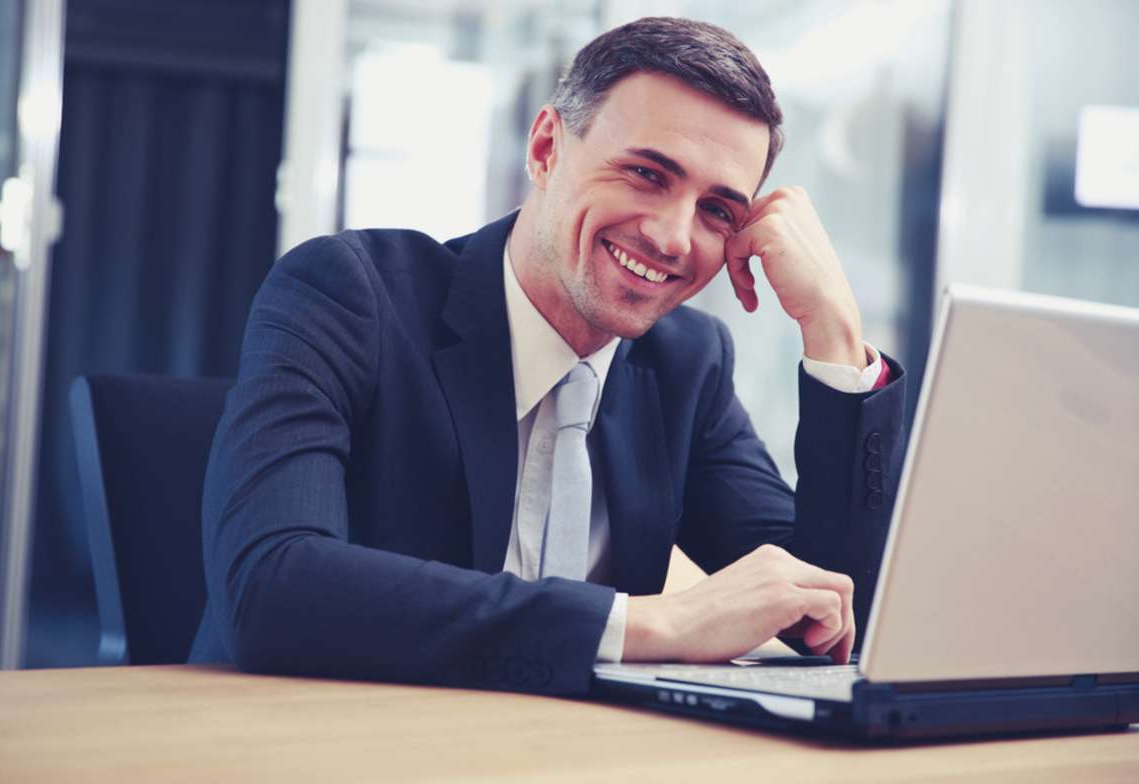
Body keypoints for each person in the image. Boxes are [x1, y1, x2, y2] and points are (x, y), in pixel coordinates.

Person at [189, 16, 906, 695]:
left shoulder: (688, 362)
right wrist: (647, 624)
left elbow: (835, 610)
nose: (672, 237)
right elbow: (272, 585)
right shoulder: (350, 293)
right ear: (545, 149)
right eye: (647, 174)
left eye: (718, 210)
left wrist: (835, 332)